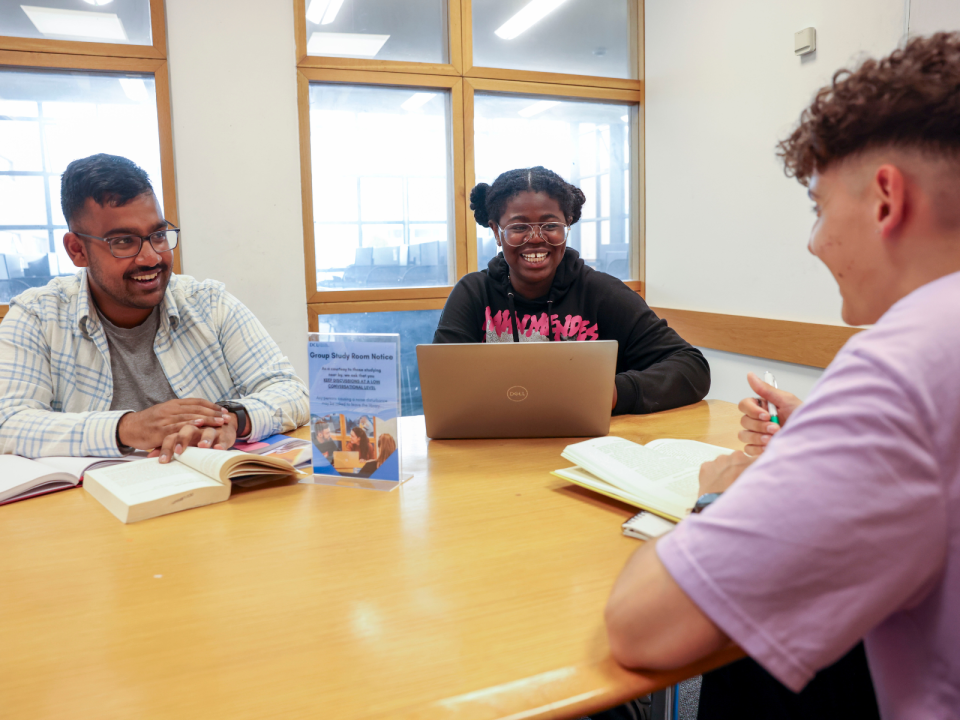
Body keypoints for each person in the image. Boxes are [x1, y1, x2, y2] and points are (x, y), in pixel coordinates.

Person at [603, 33, 960, 720]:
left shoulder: (904, 363)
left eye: (819, 208)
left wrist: (717, 499)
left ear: (886, 198)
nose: (813, 241)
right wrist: (827, 436)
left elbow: (642, 627)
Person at [0, 153, 309, 462]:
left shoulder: (209, 304)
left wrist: (233, 419)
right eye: (123, 241)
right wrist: (127, 427)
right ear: (77, 250)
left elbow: (292, 392)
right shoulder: (37, 316)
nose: (151, 257)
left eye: (158, 235)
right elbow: (8, 423)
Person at [433, 167, 710, 415]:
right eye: (519, 227)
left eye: (550, 225)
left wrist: (611, 392)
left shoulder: (601, 292)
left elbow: (692, 368)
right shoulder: (473, 294)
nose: (537, 238)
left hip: (586, 446)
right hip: (491, 446)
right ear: (496, 231)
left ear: (567, 225)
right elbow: (442, 384)